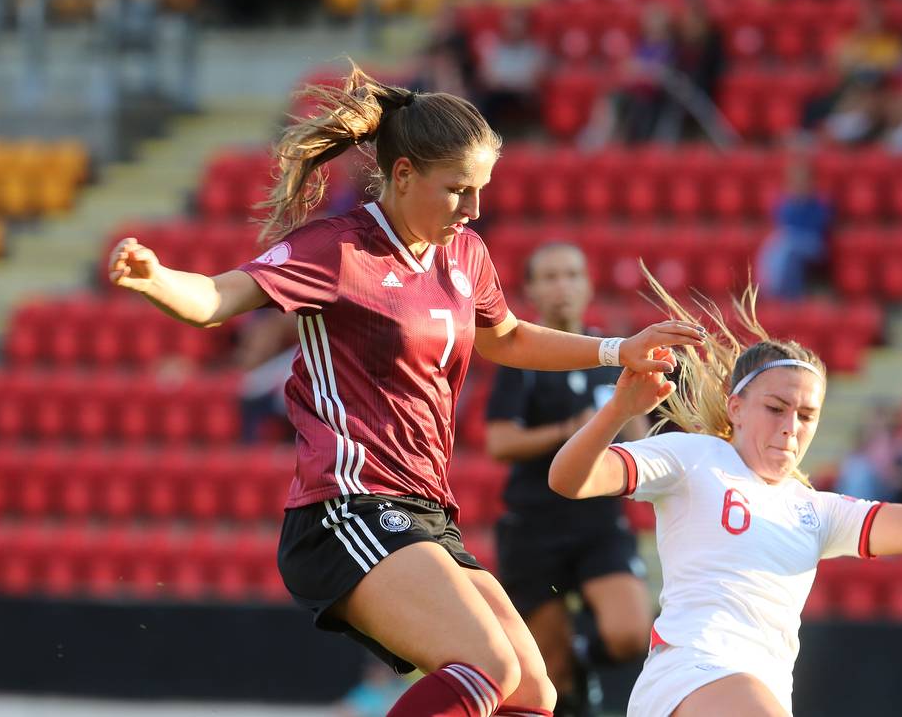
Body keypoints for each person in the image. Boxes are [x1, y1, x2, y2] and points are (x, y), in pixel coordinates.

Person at [108, 64, 704, 717]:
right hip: (347, 508)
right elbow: (216, 298)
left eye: (480, 191)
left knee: (533, 693)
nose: (474, 210)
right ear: (402, 175)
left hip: (426, 512)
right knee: (489, 665)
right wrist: (155, 278)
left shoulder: (464, 253)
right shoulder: (338, 250)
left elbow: (505, 337)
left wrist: (616, 349)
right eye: (458, 191)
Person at [548, 283, 902, 716]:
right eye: (776, 408)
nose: (791, 426)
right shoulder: (695, 457)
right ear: (736, 408)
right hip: (691, 672)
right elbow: (568, 479)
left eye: (806, 416)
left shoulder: (817, 511)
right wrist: (618, 410)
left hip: (762, 688)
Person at [484, 242, 653, 717]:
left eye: (572, 274)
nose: (563, 286)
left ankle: (582, 658)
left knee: (630, 633)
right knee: (550, 673)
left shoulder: (616, 355)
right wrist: (572, 429)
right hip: (535, 525)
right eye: (551, 276)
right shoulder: (522, 356)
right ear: (531, 290)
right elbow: (499, 441)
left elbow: (640, 443)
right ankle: (572, 683)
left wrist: (635, 413)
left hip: (598, 521)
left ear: (589, 284)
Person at [756, 156, 832, 300]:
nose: (799, 183)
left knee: (786, 246)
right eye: (795, 180)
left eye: (802, 180)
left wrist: (803, 204)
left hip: (815, 244)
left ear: (810, 181)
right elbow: (780, 223)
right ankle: (770, 287)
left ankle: (774, 289)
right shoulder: (787, 204)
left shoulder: (820, 203)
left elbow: (818, 228)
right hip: (792, 245)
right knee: (774, 244)